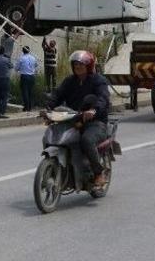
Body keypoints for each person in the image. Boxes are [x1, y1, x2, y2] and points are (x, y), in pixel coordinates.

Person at [44, 50, 110, 189]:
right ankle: (57, 166)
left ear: (89, 65)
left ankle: (98, 173)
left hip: (95, 122)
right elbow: (57, 94)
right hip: (73, 119)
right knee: (50, 135)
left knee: (86, 140)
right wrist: (48, 108)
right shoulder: (70, 81)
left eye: (81, 64)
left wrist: (93, 110)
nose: (78, 67)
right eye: (75, 64)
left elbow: (103, 98)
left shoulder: (98, 81)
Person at [16, 45, 39, 112]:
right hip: (32, 76)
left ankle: (26, 107)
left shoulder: (21, 58)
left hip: (24, 76)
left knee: (25, 92)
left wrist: (21, 68)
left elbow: (16, 68)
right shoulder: (33, 58)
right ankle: (30, 107)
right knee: (30, 92)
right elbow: (36, 65)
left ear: (23, 51)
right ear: (29, 50)